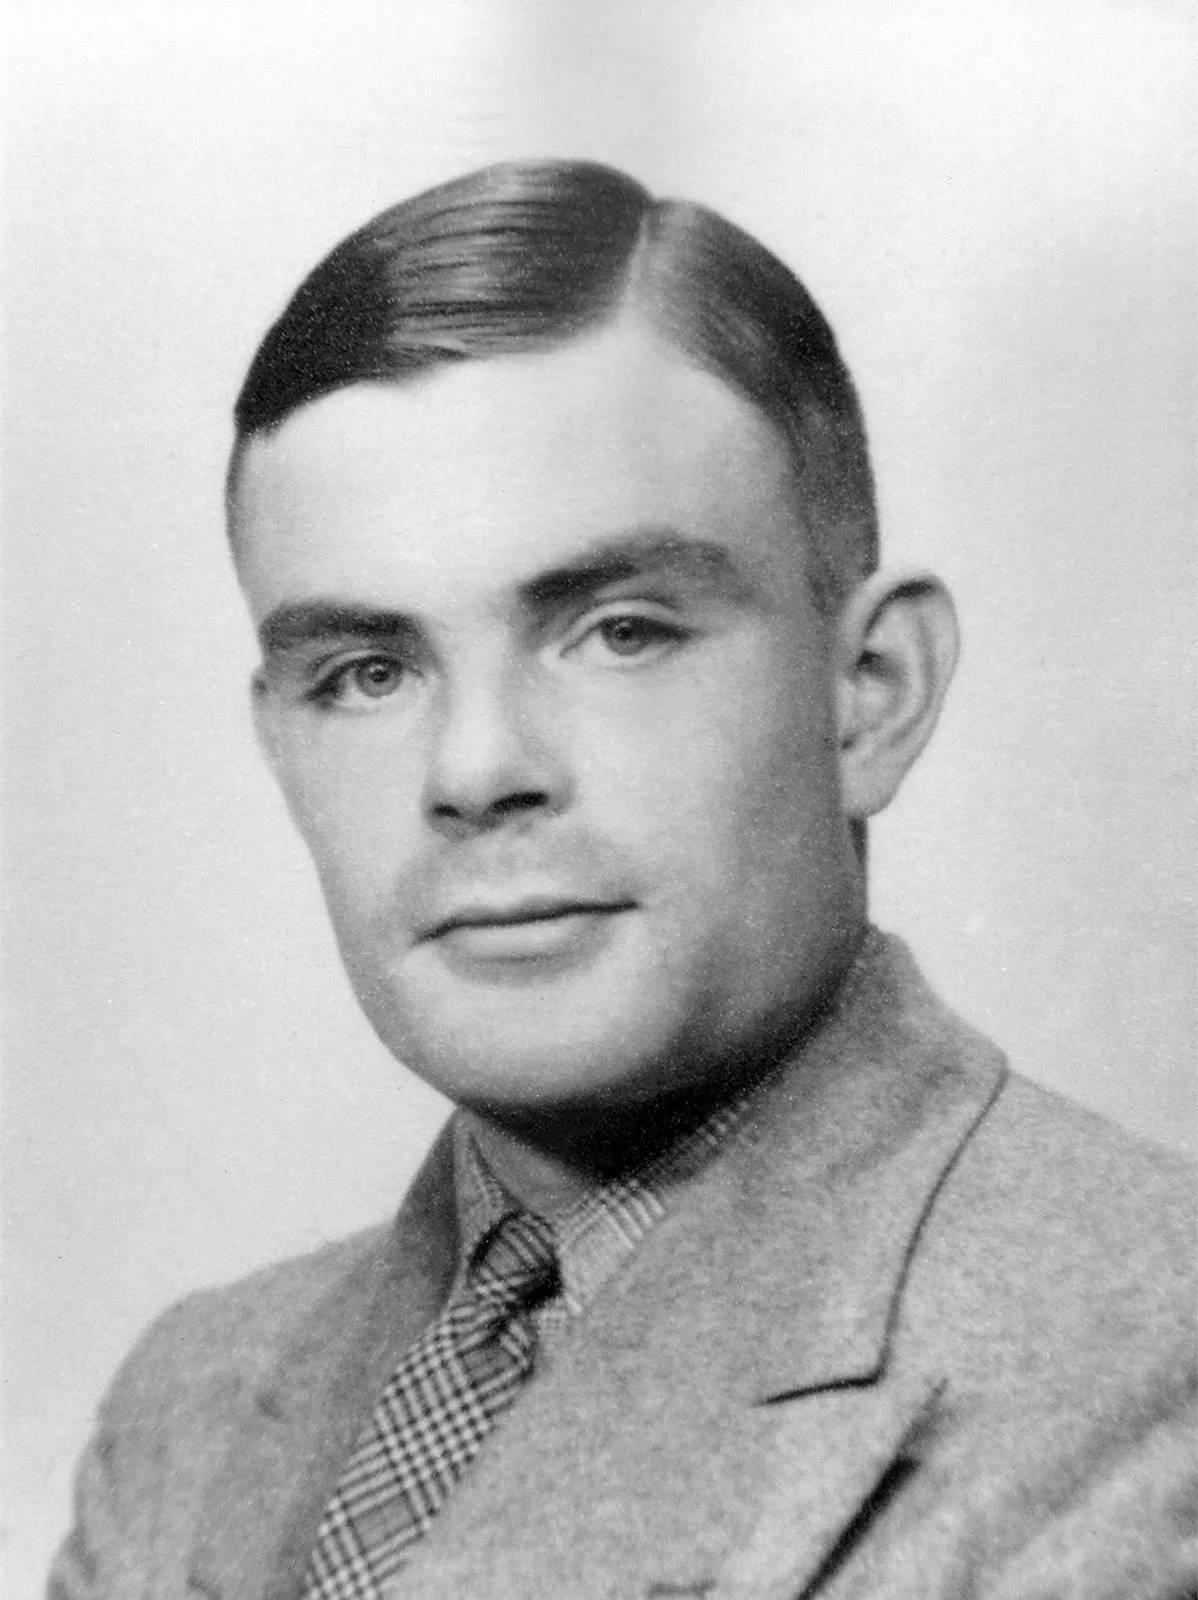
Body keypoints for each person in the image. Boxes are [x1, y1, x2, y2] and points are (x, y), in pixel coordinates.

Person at [50, 160, 1194, 1600]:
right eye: (365, 672)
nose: (475, 769)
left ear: (871, 694)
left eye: (621, 631)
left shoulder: (1151, 1360)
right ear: (279, 747)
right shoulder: (189, 1406)